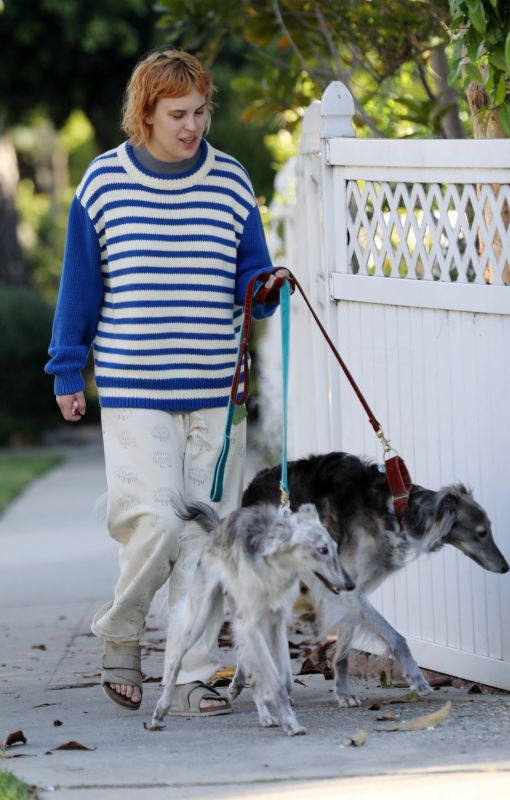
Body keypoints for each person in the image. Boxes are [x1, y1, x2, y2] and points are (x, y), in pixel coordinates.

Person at [45, 47, 290, 714]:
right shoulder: (101, 186)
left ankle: (195, 671)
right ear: (143, 116)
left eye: (201, 112)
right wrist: (67, 365)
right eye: (177, 114)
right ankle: (122, 631)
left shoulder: (232, 183)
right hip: (134, 387)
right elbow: (79, 290)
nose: (192, 126)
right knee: (154, 520)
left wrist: (263, 291)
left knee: (206, 535)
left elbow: (252, 279)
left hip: (217, 387)